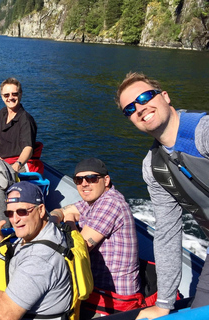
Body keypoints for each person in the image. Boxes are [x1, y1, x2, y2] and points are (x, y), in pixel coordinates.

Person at [116, 72, 209, 319]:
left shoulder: (203, 133)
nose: (139, 108)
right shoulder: (154, 167)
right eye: (129, 109)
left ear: (165, 97)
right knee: (198, 313)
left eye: (145, 96)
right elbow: (167, 232)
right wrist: (164, 303)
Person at [0, 181, 72, 320]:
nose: (15, 219)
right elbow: (10, 261)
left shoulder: (40, 259)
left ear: (40, 210)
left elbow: (7, 314)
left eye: (22, 212)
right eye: (9, 213)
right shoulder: (41, 231)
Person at [50, 158, 140, 317]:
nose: (84, 184)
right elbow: (63, 210)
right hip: (95, 289)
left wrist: (69, 220)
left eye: (91, 178)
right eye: (78, 180)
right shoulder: (94, 200)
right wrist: (55, 217)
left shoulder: (110, 203)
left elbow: (79, 249)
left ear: (106, 180)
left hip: (113, 298)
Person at [0, 78, 39, 173]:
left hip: (18, 164)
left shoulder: (26, 120)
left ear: (20, 94)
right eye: (6, 95)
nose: (10, 98)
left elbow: (28, 147)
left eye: (14, 94)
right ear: (2, 96)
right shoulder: (2, 113)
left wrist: (18, 164)